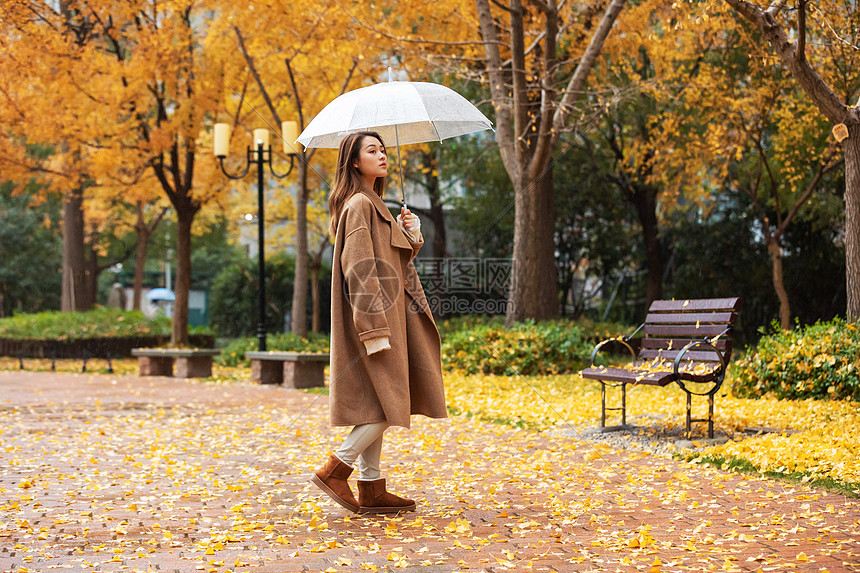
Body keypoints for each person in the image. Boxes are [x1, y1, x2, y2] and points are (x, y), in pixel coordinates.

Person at [311, 131, 447, 514]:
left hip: (390, 316)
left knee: (377, 402)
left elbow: (391, 260)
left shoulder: (374, 204)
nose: (382, 155)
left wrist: (412, 234)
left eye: (383, 149)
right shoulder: (359, 205)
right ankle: (336, 468)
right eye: (372, 150)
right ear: (355, 161)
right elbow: (360, 269)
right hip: (376, 320)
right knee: (392, 401)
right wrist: (373, 330)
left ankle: (371, 487)